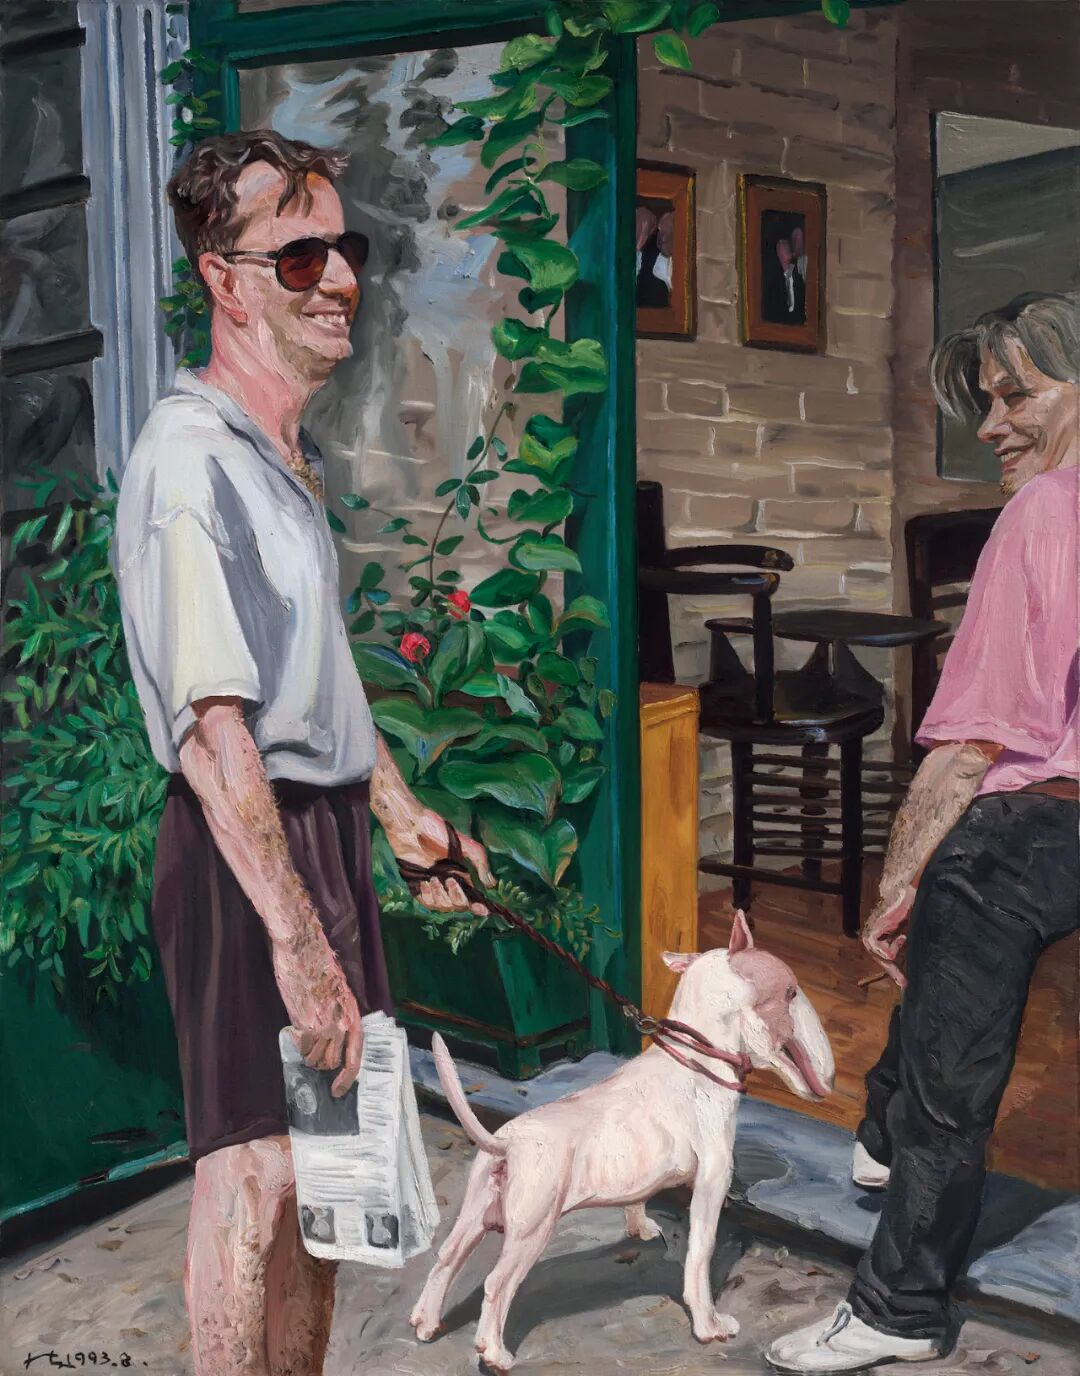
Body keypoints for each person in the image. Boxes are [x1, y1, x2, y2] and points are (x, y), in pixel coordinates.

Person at [114, 129, 493, 1376]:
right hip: (244, 850)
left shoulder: (283, 460)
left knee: (331, 1178)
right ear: (223, 279)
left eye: (346, 249)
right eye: (299, 256)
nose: (339, 278)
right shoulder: (189, 463)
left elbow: (315, 679)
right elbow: (216, 726)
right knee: (255, 1174)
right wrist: (295, 938)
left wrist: (400, 816)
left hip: (318, 832)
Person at [766, 290, 1079, 1373]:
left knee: (963, 885)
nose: (992, 424)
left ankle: (900, 1304)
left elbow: (974, 742)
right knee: (969, 878)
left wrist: (893, 884)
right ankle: (882, 1132)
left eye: (1017, 395)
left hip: (1052, 819)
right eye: (986, 400)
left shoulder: (1043, 514)